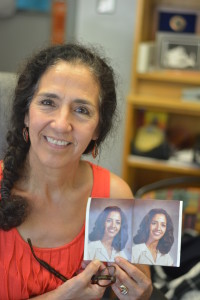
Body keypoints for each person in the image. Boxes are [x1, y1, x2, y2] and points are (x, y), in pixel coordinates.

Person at [0, 43, 152, 299]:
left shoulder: (113, 195)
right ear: (26, 114)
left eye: (82, 110)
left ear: (97, 130)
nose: (61, 124)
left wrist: (136, 294)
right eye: (48, 102)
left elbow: (122, 291)